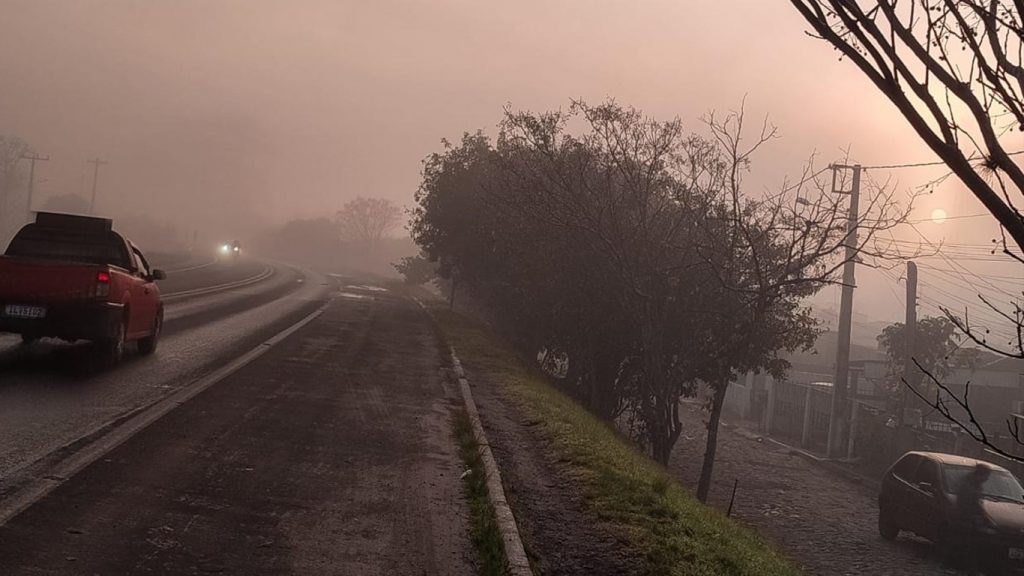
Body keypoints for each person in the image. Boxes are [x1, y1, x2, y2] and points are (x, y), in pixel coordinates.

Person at [954, 463, 991, 574]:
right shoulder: (968, 486)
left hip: (971, 521)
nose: (987, 479)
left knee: (972, 548)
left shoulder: (976, 485)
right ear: (980, 475)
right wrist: (975, 517)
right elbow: (966, 505)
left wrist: (984, 516)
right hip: (966, 522)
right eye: (986, 476)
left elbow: (977, 504)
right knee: (968, 548)